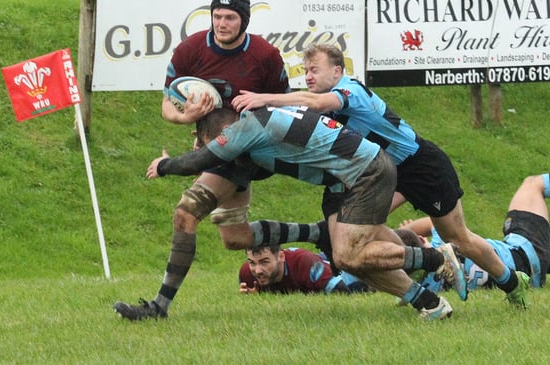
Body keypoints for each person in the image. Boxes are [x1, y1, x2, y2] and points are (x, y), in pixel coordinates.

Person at [231, 43, 530, 308]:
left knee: (458, 236)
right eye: (305, 71)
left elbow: (315, 103)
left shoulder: (351, 90)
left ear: (337, 71)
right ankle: (419, 270)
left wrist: (264, 98)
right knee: (360, 231)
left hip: (420, 166)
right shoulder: (324, 106)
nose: (308, 76)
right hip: (381, 173)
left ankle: (512, 283)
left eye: (314, 70)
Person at [140, 105, 468, 320]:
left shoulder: (246, 127)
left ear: (224, 133)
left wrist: (165, 165)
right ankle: (429, 303)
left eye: (212, 144)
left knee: (349, 256)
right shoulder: (261, 128)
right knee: (349, 256)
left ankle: (435, 259)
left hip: (366, 172)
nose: (215, 154)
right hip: (342, 180)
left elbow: (202, 160)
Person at [114, 0, 290, 321]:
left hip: (247, 153)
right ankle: (317, 232)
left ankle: (158, 307)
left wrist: (254, 112)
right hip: (213, 150)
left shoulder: (265, 56)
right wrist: (187, 117)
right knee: (235, 238)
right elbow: (168, 104)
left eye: (230, 17)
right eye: (217, 16)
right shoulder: (191, 49)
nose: (222, 23)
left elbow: (285, 106)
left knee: (186, 213)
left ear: (244, 21)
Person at [401, 164, 550, 293]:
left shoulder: (418, 287)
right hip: (524, 255)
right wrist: (407, 229)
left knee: (520, 250)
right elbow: (434, 221)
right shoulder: (441, 243)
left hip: (527, 277)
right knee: (533, 185)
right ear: (421, 240)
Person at [239, 245, 369, 294]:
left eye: (264, 262)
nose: (258, 270)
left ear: (281, 256)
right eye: (252, 263)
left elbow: (342, 293)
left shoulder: (303, 263)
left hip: (353, 270)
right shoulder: (247, 274)